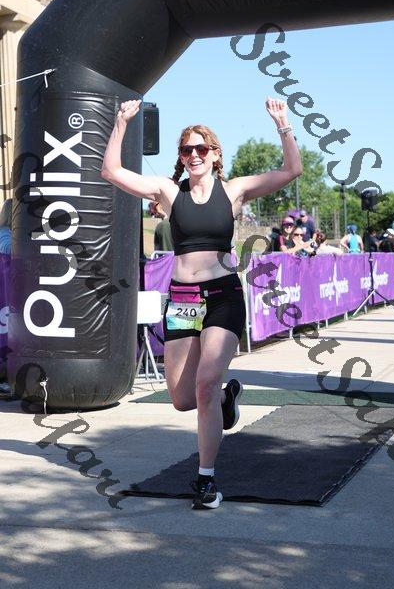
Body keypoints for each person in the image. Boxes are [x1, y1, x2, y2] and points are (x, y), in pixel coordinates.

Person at [101, 96, 302, 510]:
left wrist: (283, 123)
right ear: (181, 157)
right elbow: (111, 172)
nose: (194, 155)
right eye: (186, 149)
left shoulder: (235, 190)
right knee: (182, 398)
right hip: (183, 299)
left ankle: (206, 480)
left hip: (223, 297)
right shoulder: (167, 191)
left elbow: (291, 170)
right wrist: (120, 123)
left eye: (201, 148)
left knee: (205, 383)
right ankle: (226, 400)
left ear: (215, 154)